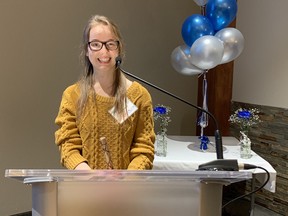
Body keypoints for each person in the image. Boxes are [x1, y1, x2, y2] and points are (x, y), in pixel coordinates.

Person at [55, 15, 155, 170]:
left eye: (110, 44)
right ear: (87, 51)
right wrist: (90, 177)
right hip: (84, 189)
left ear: (119, 48)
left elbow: (144, 150)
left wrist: (125, 181)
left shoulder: (139, 96)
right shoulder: (72, 95)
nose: (104, 51)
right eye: (95, 44)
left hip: (126, 191)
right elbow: (68, 146)